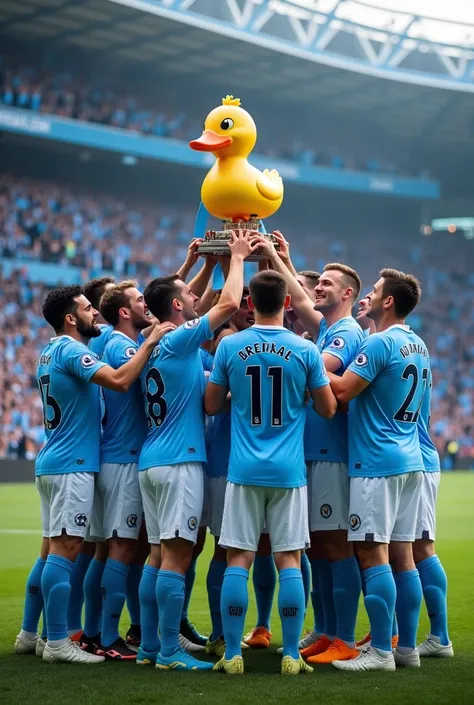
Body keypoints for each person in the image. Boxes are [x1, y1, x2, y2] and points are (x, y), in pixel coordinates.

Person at [15, 285, 172, 664]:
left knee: (55, 548)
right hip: (73, 465)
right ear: (71, 318)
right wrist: (149, 346)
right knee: (66, 551)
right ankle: (57, 642)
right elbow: (119, 380)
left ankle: (33, 635)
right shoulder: (72, 350)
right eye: (87, 309)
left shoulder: (49, 352)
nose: (94, 315)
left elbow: (124, 325)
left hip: (54, 462)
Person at [205, 268, 337, 675]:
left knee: (237, 559)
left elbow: (212, 405)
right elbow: (328, 408)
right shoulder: (305, 350)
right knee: (290, 561)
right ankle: (292, 655)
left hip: (242, 470)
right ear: (286, 303)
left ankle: (231, 654)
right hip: (289, 472)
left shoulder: (230, 347)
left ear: (249, 304)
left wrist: (239, 396)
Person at [137, 230, 258, 671]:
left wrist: (206, 263)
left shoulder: (151, 341)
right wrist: (239, 258)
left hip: (151, 460)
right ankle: (169, 651)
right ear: (175, 306)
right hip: (179, 461)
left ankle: (150, 645)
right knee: (177, 556)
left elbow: (199, 306)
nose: (194, 297)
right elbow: (223, 306)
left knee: (157, 554)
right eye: (187, 294)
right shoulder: (175, 339)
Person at [327, 269, 428, 672]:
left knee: (372, 554)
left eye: (374, 291)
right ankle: (408, 649)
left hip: (376, 463)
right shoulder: (417, 344)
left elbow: (343, 389)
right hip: (410, 460)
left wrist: (308, 360)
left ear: (388, 301)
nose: (368, 295)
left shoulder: (380, 342)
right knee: (404, 556)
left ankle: (382, 651)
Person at [88, 281, 151, 660]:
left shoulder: (115, 342)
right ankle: (108, 636)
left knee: (109, 549)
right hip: (123, 459)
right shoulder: (122, 346)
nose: (148, 305)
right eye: (141, 301)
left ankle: (96, 631)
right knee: (121, 548)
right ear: (125, 312)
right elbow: (139, 377)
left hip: (116, 456)